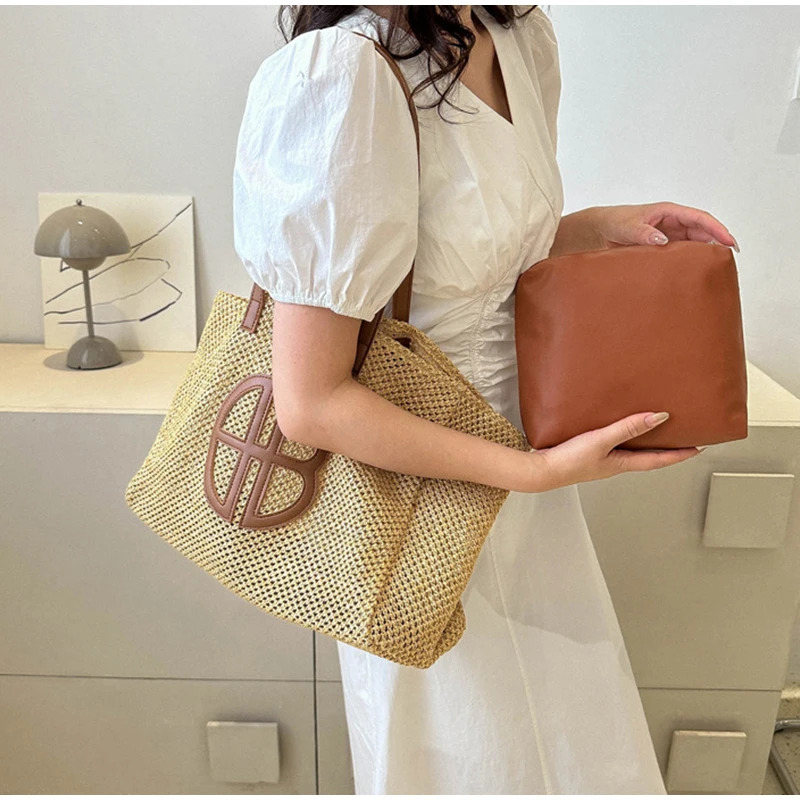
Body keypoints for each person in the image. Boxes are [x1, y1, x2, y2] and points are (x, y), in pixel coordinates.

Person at [232, 5, 739, 793]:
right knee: (467, 756)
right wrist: (530, 472)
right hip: (418, 492)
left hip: (532, 473)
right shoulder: (344, 73)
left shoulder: (519, 36)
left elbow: (471, 257)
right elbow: (313, 402)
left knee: (563, 746)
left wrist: (599, 227)